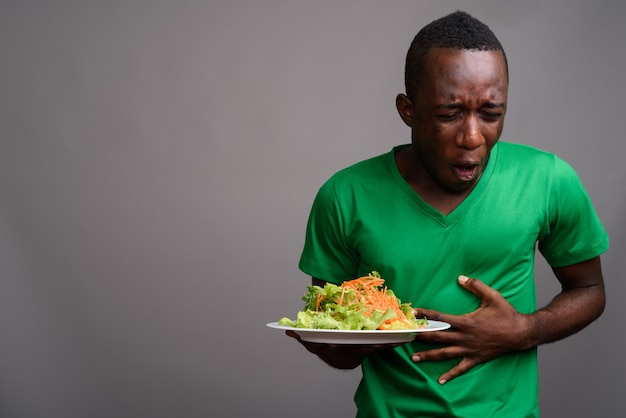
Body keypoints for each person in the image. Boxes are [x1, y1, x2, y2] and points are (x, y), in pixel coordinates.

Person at [286, 10, 609, 418]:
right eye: (448, 114)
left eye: (491, 114)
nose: (472, 136)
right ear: (408, 109)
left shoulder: (548, 179)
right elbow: (340, 347)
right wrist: (340, 341)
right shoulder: (344, 196)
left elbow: (589, 291)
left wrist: (524, 331)